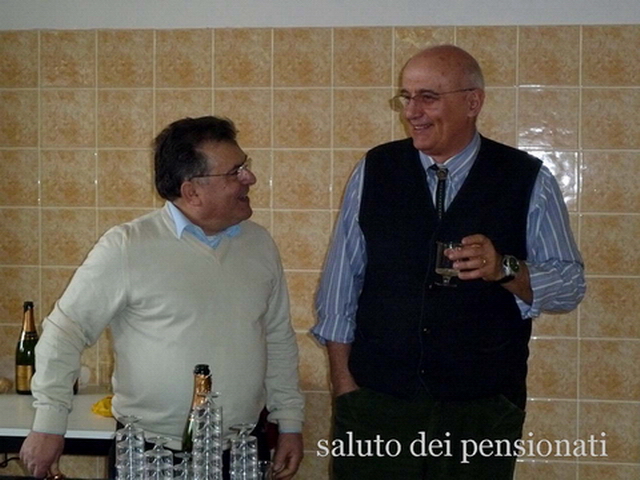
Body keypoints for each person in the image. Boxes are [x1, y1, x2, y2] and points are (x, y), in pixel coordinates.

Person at [312, 45, 585, 479]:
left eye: (428, 97)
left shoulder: (527, 178)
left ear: (473, 102)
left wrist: (506, 268)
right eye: (407, 97)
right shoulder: (375, 169)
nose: (412, 112)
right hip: (377, 405)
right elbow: (340, 287)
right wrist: (346, 388)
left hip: (481, 411)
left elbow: (570, 286)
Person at [20, 116, 304, 480]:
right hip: (150, 456)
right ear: (192, 191)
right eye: (235, 171)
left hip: (241, 452)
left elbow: (278, 336)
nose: (250, 178)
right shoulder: (127, 246)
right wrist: (49, 422)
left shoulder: (259, 244)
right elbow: (65, 332)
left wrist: (289, 422)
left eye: (244, 166)